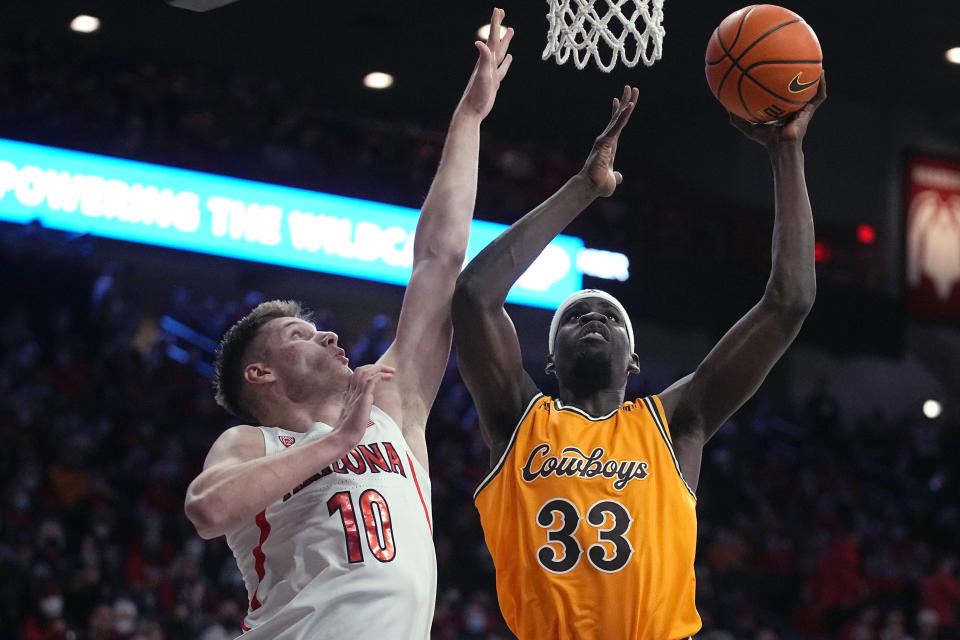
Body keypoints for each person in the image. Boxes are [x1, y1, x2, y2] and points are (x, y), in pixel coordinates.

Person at [452, 77, 827, 639]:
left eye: (610, 316)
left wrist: (786, 150)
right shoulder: (518, 420)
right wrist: (583, 187)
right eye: (575, 317)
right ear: (549, 362)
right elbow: (475, 296)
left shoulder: (676, 422)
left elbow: (790, 301)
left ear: (633, 361)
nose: (594, 318)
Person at [183, 9, 514, 638]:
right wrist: (335, 443)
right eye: (299, 335)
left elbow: (438, 261)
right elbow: (208, 509)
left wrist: (469, 118)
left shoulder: (395, 403)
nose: (329, 335)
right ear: (262, 373)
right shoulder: (252, 445)